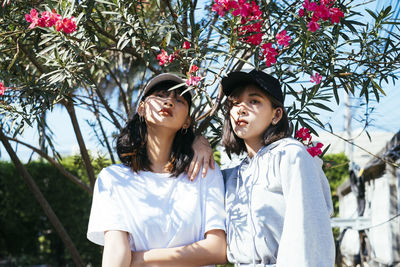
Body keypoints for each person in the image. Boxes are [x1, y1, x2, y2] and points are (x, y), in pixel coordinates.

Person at [86, 73, 226, 266]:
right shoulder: (112, 179)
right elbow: (116, 251)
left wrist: (140, 259)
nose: (168, 102)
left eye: (179, 99)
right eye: (160, 95)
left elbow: (217, 249)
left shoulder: (204, 171)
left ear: (187, 121)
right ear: (141, 108)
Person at [219, 69, 335, 266]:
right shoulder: (233, 176)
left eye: (254, 101)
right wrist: (198, 143)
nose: (241, 109)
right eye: (235, 103)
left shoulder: (289, 155)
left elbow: (307, 233)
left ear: (276, 114)